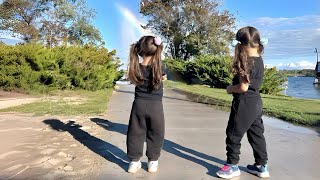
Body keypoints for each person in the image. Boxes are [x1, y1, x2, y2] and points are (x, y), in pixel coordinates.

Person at [216, 26, 270, 179]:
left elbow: (243, 87)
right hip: (256, 103)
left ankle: (232, 166)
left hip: (244, 103)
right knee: (257, 134)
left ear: (241, 45)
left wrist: (229, 88)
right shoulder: (259, 60)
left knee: (233, 133)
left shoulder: (245, 62)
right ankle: (261, 166)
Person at [126, 35, 167, 174]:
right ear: (157, 50)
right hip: (156, 106)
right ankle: (153, 162)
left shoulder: (135, 67)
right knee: (156, 133)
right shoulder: (160, 67)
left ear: (140, 50)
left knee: (135, 132)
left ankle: (133, 162)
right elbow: (163, 77)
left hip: (138, 105)